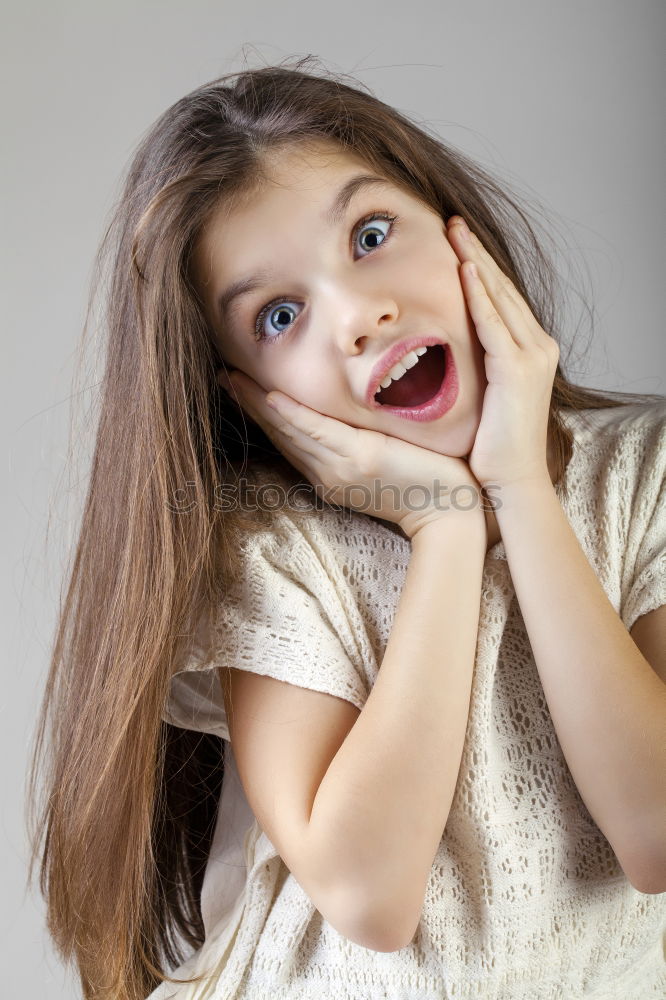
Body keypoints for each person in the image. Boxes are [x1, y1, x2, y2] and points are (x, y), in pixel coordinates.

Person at [26, 56, 666, 1000]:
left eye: (372, 234)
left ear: (460, 231)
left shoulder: (639, 473)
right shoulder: (271, 552)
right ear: (248, 395)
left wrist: (518, 487)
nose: (360, 315)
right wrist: (443, 536)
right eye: (279, 315)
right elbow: (371, 897)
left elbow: (655, 835)